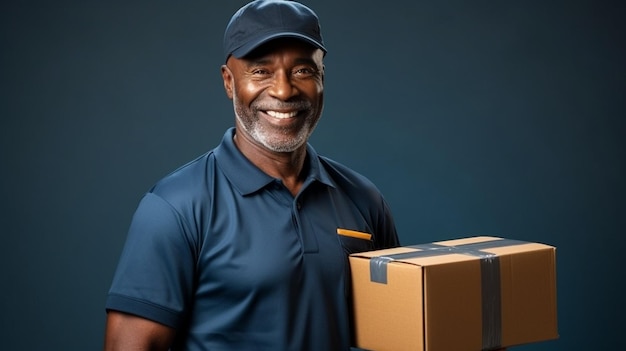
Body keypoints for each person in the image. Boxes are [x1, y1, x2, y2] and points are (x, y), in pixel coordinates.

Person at [103, 1, 399, 350]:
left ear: (322, 78)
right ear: (229, 82)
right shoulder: (174, 208)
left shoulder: (363, 198)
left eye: (303, 71)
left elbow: (396, 326)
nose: (284, 90)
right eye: (260, 71)